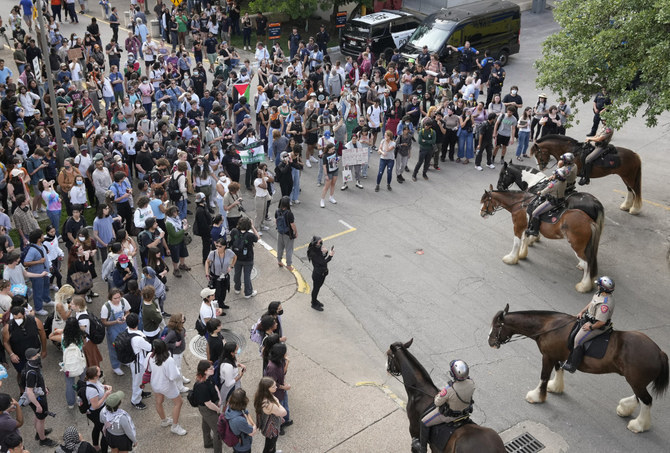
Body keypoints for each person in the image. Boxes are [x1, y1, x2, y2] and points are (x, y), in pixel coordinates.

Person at [416, 360, 475, 453]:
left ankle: (422, 449)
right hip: (465, 413)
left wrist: (439, 395)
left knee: (424, 422)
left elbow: (437, 403)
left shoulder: (449, 390)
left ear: (453, 374)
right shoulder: (471, 383)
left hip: (449, 416)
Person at [562, 276, 615, 373]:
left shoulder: (605, 305)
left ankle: (572, 365)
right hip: (588, 318)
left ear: (603, 288)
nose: (597, 286)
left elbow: (601, 322)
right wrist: (581, 312)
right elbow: (592, 303)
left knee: (578, 340)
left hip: (597, 325)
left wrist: (590, 327)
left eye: (599, 285)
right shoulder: (599, 294)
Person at [148, 339, 188, 435]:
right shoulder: (168, 360)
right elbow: (173, 376)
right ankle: (175, 426)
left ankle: (164, 421)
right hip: (167, 386)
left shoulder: (150, 356)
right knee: (178, 402)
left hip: (155, 383)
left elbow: (149, 369)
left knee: (159, 401)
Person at [47, 317, 86, 409]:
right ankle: (83, 398)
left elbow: (50, 337)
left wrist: (57, 331)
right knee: (83, 381)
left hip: (68, 364)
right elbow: (84, 344)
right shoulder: (81, 336)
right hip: (80, 361)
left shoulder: (63, 338)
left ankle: (71, 403)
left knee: (69, 384)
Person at [22, 347, 58, 446]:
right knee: (41, 419)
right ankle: (43, 440)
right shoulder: (31, 373)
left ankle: (39, 432)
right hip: (37, 398)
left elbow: (37, 380)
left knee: (38, 416)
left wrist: (44, 387)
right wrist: (37, 405)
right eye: (36, 355)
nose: (38, 355)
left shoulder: (31, 365)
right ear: (31, 358)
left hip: (38, 395)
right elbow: (29, 391)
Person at [526, 167, 568, 237]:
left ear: (557, 176)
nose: (553, 175)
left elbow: (543, 192)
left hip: (552, 202)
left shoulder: (553, 185)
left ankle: (535, 231)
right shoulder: (564, 182)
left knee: (535, 213)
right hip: (561, 200)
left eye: (555, 174)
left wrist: (539, 192)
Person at [191, 360, 222, 453]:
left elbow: (215, 386)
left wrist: (219, 398)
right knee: (218, 431)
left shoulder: (208, 377)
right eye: (210, 368)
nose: (213, 369)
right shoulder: (201, 386)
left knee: (206, 424)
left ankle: (207, 442)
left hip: (212, 405)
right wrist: (218, 410)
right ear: (205, 371)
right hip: (207, 408)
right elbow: (208, 403)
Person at [100, 288, 131, 376]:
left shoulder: (123, 301)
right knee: (114, 348)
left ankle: (124, 360)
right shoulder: (106, 307)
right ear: (110, 298)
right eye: (115, 298)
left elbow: (128, 312)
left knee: (125, 344)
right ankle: (115, 366)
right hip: (112, 330)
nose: (118, 300)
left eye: (119, 297)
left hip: (123, 327)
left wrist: (125, 317)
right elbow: (104, 322)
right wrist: (115, 322)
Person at [264, 343, 292, 435]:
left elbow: (283, 373)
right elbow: (273, 383)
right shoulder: (272, 367)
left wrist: (287, 363)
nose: (286, 353)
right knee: (279, 409)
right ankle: (279, 426)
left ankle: (285, 421)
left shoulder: (280, 360)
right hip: (276, 392)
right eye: (285, 352)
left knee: (285, 406)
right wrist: (284, 387)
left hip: (282, 390)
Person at [254, 376, 287, 453]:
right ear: (267, 389)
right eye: (273, 386)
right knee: (269, 446)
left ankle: (273, 451)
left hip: (266, 423)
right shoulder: (269, 404)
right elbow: (284, 412)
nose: (276, 387)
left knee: (271, 444)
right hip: (272, 429)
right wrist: (277, 401)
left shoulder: (260, 395)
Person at [82, 366, 111, 453]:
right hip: (96, 412)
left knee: (97, 427)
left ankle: (95, 446)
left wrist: (104, 386)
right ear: (95, 376)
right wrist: (105, 395)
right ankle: (103, 451)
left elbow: (99, 386)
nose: (100, 372)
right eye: (99, 371)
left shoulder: (94, 381)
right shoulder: (92, 391)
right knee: (106, 433)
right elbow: (95, 406)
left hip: (97, 411)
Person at [579, 119, 613, 186]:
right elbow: (596, 136)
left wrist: (589, 138)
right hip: (595, 143)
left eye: (604, 120)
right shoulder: (602, 126)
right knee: (583, 150)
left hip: (601, 146)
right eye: (602, 120)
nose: (603, 121)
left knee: (588, 159)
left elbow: (599, 139)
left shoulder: (609, 129)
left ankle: (587, 179)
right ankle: (583, 170)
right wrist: (588, 140)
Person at [231, 217, 259, 299]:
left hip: (236, 257)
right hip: (248, 258)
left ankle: (237, 288)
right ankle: (248, 292)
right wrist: (252, 227)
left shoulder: (234, 231)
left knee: (237, 273)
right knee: (247, 276)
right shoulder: (250, 235)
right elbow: (257, 237)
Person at [205, 238, 235, 313]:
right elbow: (207, 262)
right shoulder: (213, 253)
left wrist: (231, 266)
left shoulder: (229, 252)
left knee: (223, 292)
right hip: (215, 277)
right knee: (215, 295)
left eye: (220, 246)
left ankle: (221, 304)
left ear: (224, 246)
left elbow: (235, 257)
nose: (218, 248)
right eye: (217, 246)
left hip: (224, 276)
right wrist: (207, 273)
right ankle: (216, 310)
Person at [225, 388, 257, 453]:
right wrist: (254, 425)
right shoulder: (239, 420)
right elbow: (252, 432)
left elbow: (246, 411)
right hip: (243, 447)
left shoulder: (230, 406)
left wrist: (246, 415)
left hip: (235, 440)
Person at [307, 236, 334, 311]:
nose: (321, 243)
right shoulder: (313, 253)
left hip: (322, 273)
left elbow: (322, 258)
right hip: (318, 275)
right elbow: (322, 262)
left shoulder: (318, 248)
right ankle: (313, 303)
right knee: (316, 289)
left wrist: (325, 253)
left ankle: (314, 300)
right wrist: (330, 256)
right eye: (320, 242)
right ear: (316, 243)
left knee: (317, 288)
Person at [163, 313, 189, 390]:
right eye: (182, 318)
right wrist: (174, 344)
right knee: (177, 369)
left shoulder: (179, 327)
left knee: (179, 367)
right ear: (178, 321)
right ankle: (180, 387)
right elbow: (164, 343)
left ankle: (181, 378)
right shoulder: (172, 332)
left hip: (179, 352)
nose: (184, 319)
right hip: (176, 353)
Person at [165, 206, 191, 277]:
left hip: (181, 240)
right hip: (174, 242)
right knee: (175, 257)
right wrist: (183, 230)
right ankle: (175, 269)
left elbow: (179, 226)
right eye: (176, 211)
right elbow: (174, 235)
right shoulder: (169, 223)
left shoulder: (177, 218)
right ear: (173, 213)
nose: (178, 213)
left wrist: (183, 223)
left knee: (183, 253)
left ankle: (182, 265)